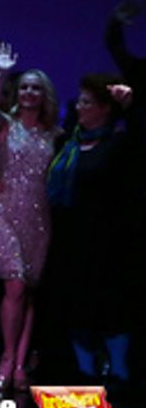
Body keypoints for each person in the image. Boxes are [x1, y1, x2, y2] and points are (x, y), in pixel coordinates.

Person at [46, 75, 136, 386]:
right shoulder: (66, 144)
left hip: (108, 240)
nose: (79, 107)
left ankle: (120, 373)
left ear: (104, 109)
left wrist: (131, 106)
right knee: (76, 308)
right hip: (70, 239)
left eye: (86, 102)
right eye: (79, 101)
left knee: (111, 308)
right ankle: (85, 373)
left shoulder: (120, 144)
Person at [0, 43, 59, 391]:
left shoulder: (55, 135)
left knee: (26, 290)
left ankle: (21, 363)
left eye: (35, 88)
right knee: (13, 284)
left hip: (39, 217)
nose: (29, 92)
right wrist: (3, 73)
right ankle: (8, 357)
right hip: (4, 211)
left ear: (45, 95)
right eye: (24, 86)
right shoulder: (6, 125)